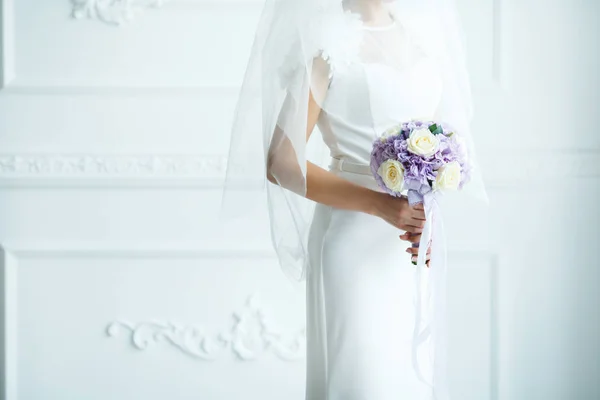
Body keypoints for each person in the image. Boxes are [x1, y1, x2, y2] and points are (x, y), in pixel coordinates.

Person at [224, 0, 485, 398]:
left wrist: (424, 216)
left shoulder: (424, 33)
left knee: (410, 376)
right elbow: (281, 161)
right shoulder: (326, 42)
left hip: (410, 241)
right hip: (354, 238)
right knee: (364, 380)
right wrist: (380, 205)